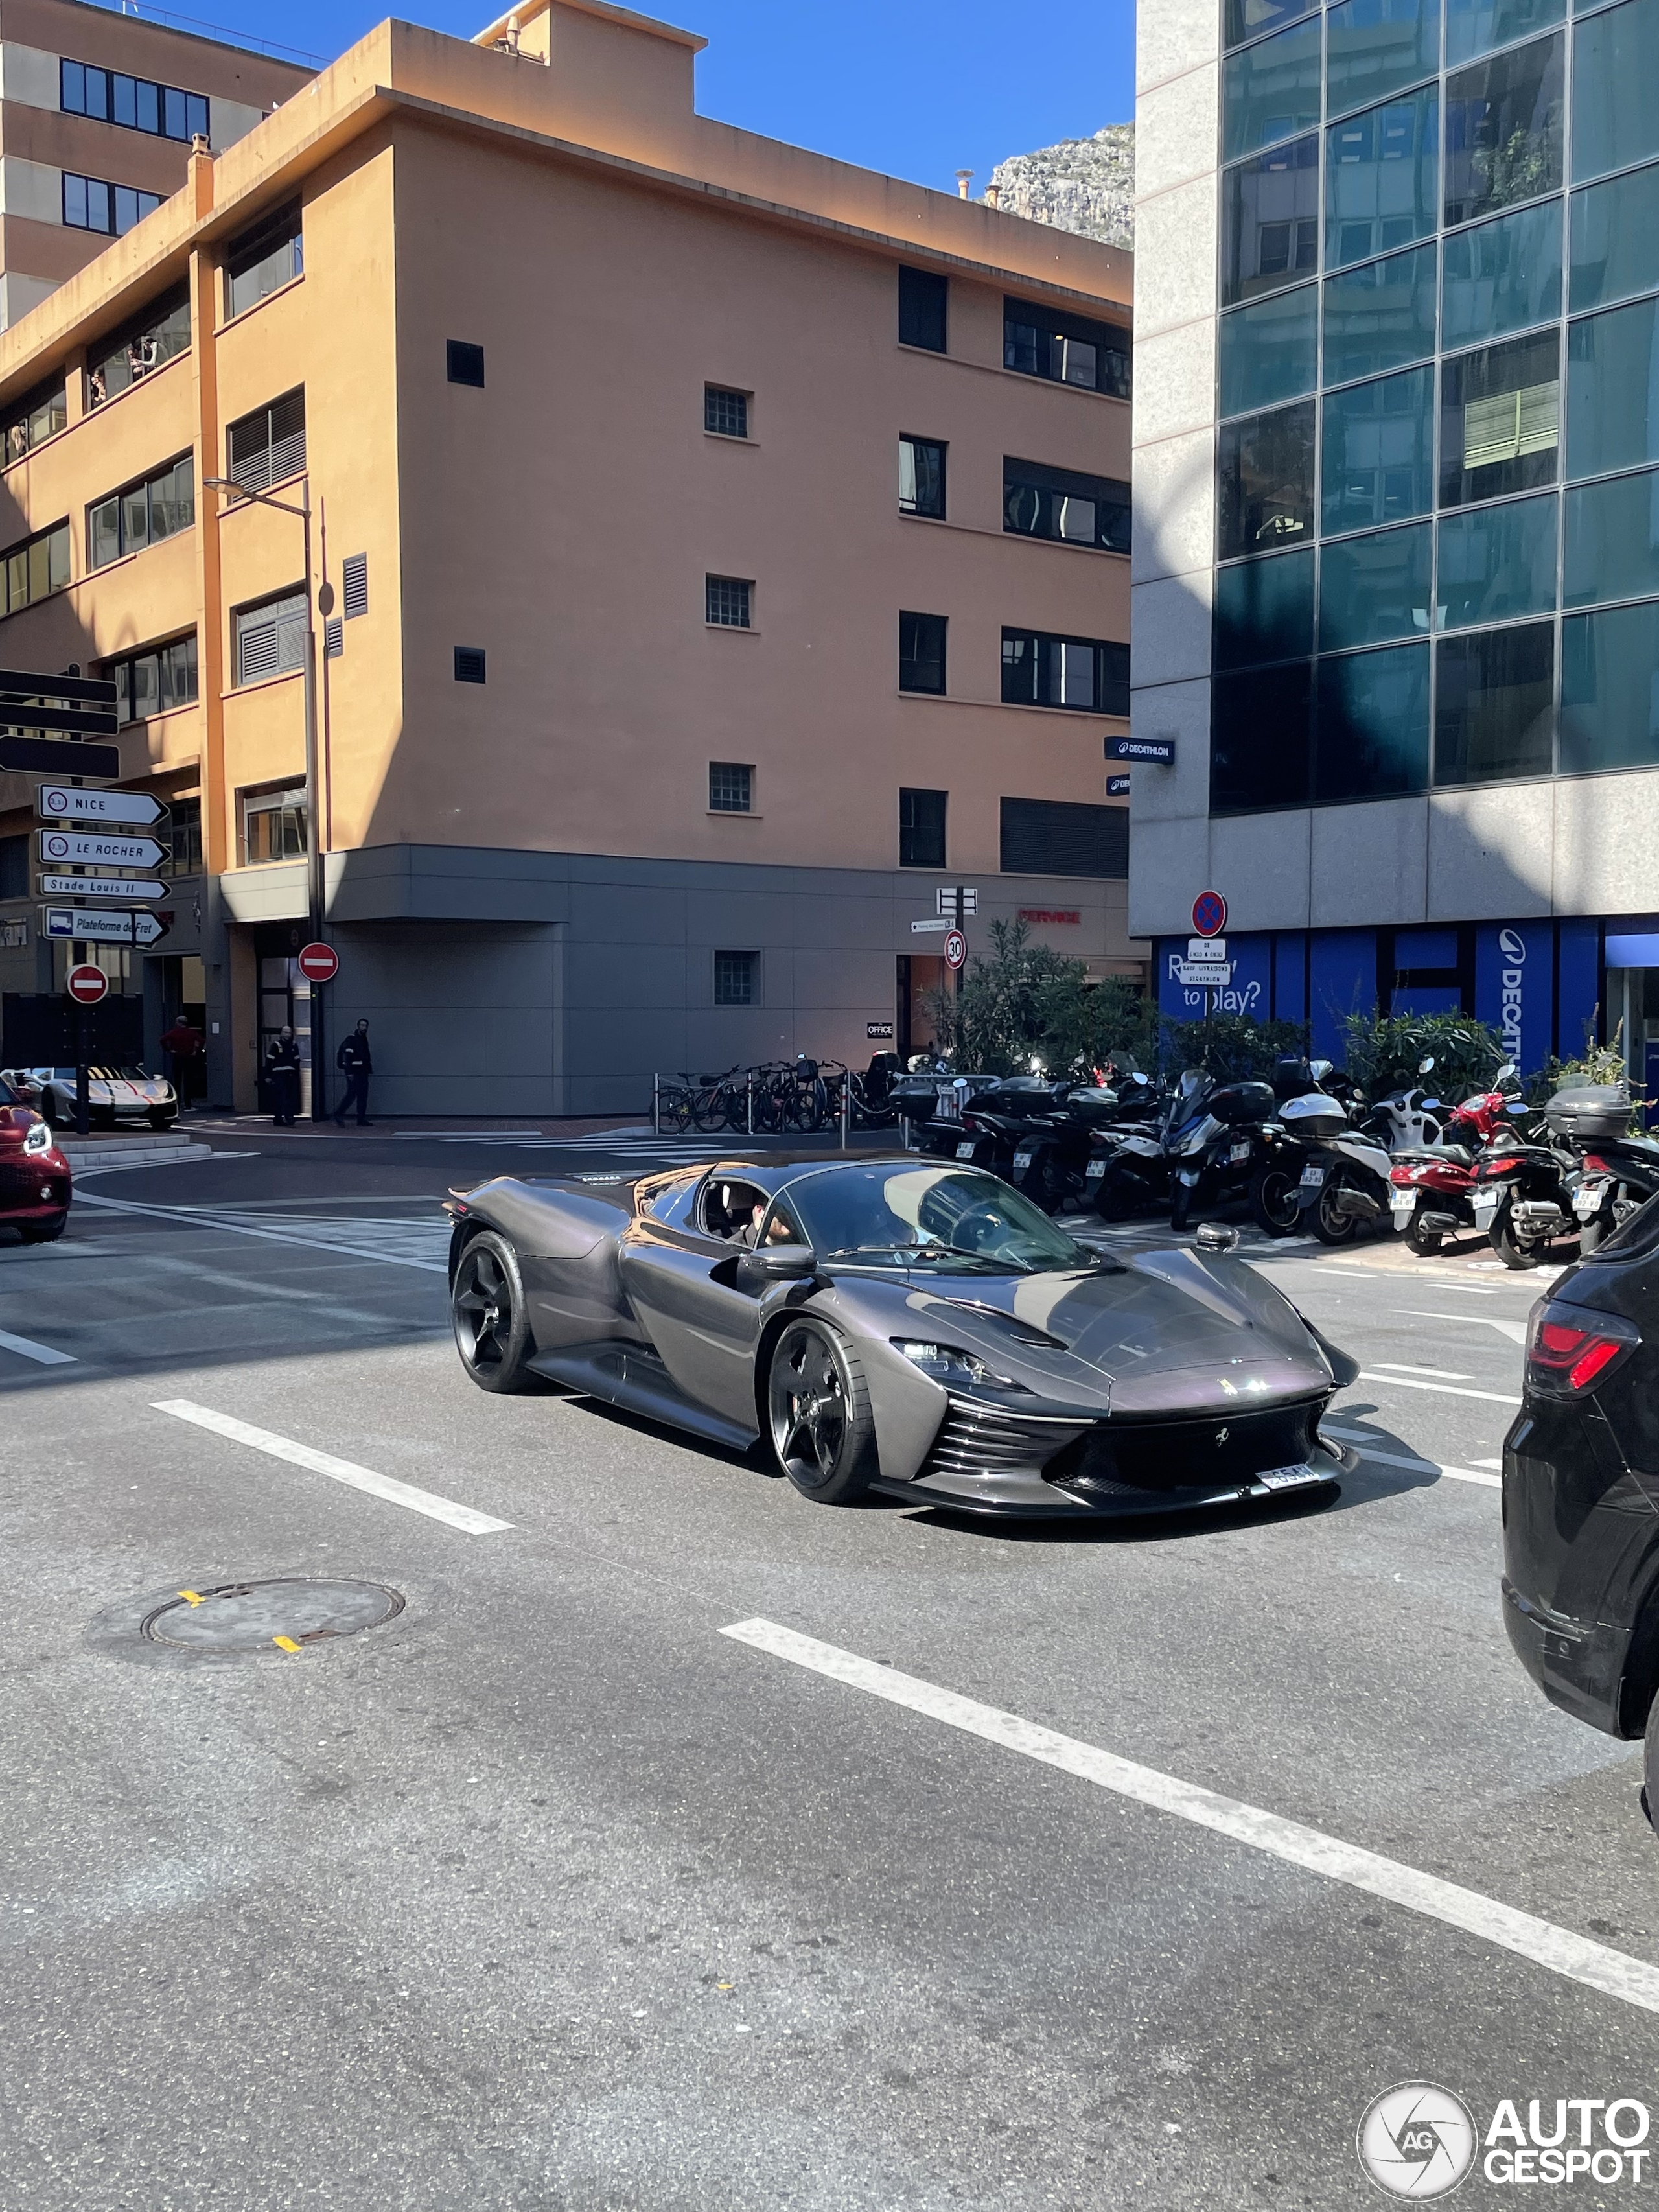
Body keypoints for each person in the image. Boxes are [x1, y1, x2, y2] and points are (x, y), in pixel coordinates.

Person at [334, 1019, 373, 1126]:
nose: (364, 1028)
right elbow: (347, 1057)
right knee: (352, 1094)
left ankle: (361, 1119)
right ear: (358, 1026)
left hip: (363, 1071)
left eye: (366, 1026)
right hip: (355, 1072)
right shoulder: (352, 1039)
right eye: (362, 1025)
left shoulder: (363, 1039)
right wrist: (349, 1072)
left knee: (363, 1095)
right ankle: (338, 1113)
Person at [160, 1014, 203, 1106]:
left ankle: (177, 1102)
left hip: (177, 1056)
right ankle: (188, 1103)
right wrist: (196, 1051)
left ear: (179, 1023)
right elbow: (201, 1040)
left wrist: (169, 1050)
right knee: (188, 1080)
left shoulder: (174, 1032)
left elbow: (163, 1040)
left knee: (177, 1080)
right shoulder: (191, 1033)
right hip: (189, 1057)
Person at [266, 1025, 301, 1127]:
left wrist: (296, 1074)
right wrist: (267, 1076)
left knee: (289, 1097)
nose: (288, 1035)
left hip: (290, 1075)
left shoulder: (294, 1046)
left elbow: (297, 1061)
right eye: (286, 1032)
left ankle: (288, 1117)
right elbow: (269, 1061)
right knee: (281, 1097)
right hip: (279, 1075)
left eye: (289, 1033)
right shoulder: (276, 1045)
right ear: (281, 1034)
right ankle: (280, 1118)